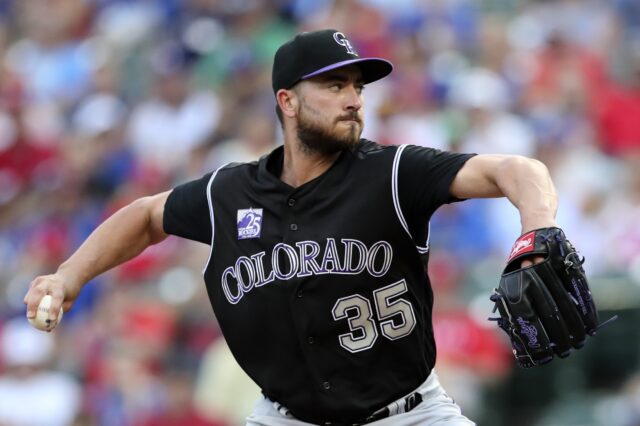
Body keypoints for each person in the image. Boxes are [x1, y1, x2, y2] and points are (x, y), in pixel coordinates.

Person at [24, 29, 560, 425]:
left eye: (357, 85)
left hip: (408, 415)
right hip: (286, 417)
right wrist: (67, 277)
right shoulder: (229, 194)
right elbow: (143, 216)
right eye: (334, 85)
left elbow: (517, 169)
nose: (353, 98)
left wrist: (536, 235)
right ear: (287, 101)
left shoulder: (394, 172)